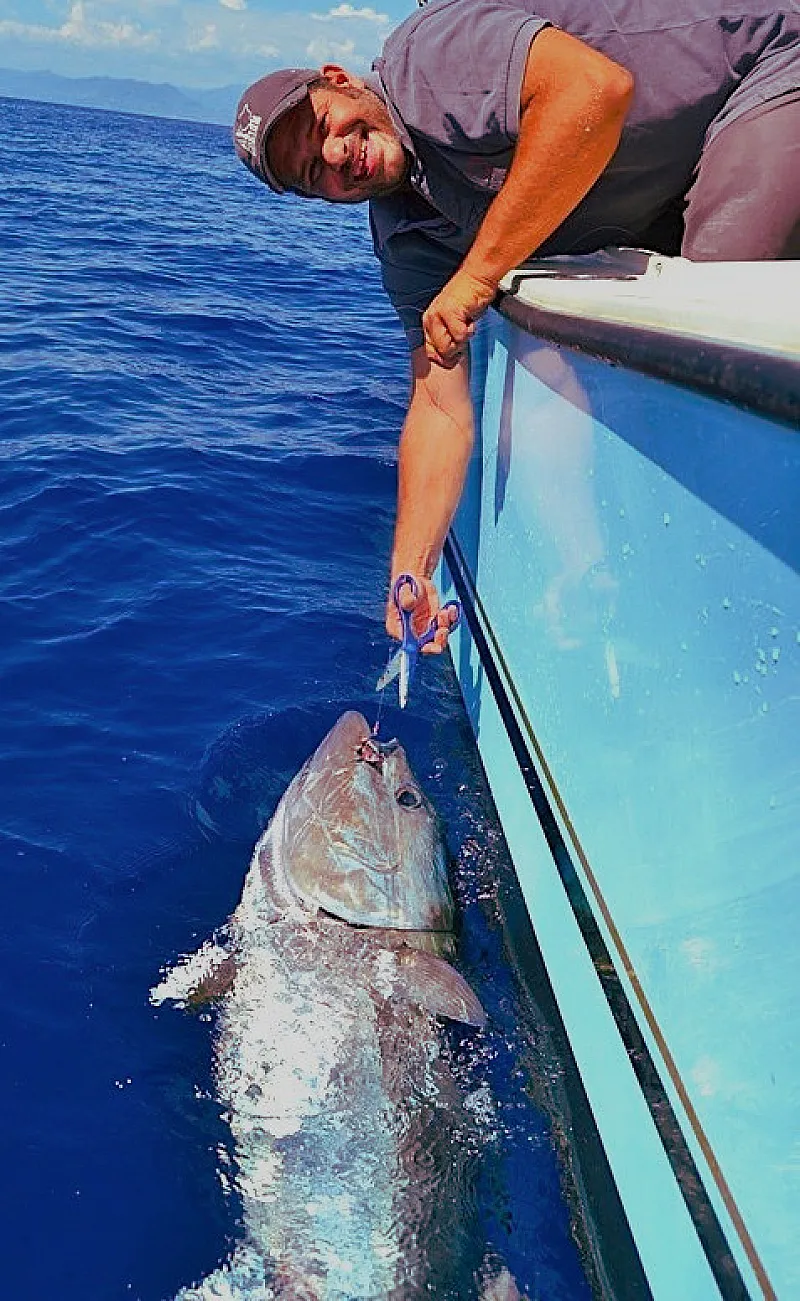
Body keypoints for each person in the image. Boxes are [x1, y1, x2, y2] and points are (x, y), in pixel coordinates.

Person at [233, 0, 800, 650]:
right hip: (675, 177)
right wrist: (410, 571)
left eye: (324, 126)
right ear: (318, 199)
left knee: (711, 318)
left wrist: (476, 278)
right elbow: (438, 404)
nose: (339, 156)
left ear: (339, 79)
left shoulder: (428, 58)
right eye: (316, 173)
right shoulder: (405, 236)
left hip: (765, 64)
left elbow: (593, 92)